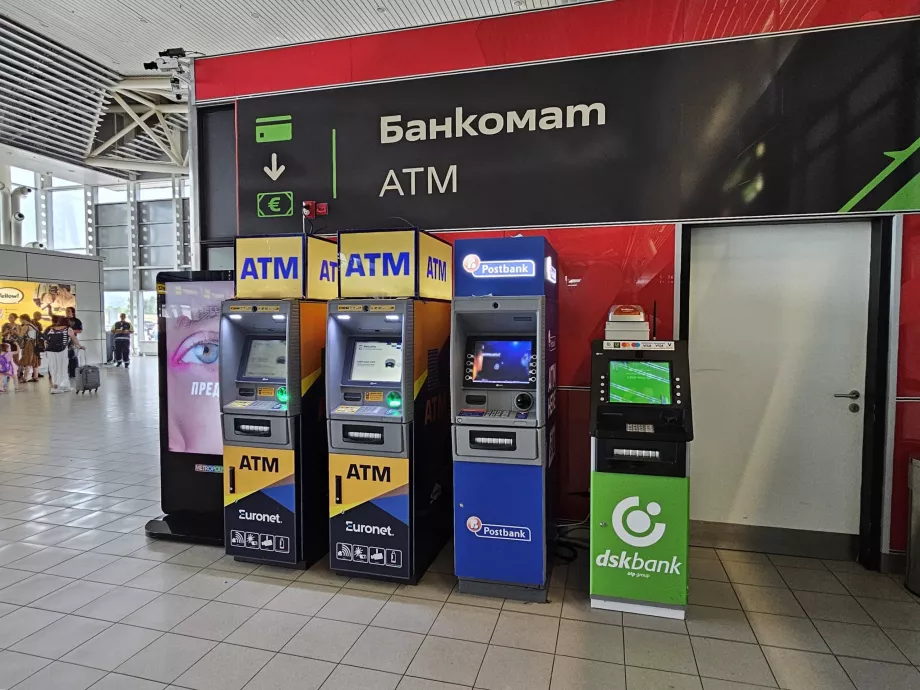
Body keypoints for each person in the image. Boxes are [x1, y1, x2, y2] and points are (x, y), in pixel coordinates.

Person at [44, 316, 82, 394]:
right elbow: (74, 338)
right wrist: (79, 346)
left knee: (53, 367)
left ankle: (59, 386)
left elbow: (46, 340)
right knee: (62, 367)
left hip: (50, 350)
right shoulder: (68, 329)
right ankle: (59, 386)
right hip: (61, 350)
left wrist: (47, 349)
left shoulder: (52, 329)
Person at [17, 315, 41, 383]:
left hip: (29, 344)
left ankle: (25, 378)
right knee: (35, 360)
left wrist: (18, 329)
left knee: (27, 360)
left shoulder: (26, 326)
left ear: (23, 319)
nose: (20, 321)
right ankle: (35, 377)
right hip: (35, 344)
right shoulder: (33, 325)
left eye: (20, 319)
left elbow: (20, 336)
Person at [66, 307, 83, 379]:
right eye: (66, 311)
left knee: (73, 356)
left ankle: (74, 373)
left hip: (72, 340)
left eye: (68, 311)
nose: (67, 312)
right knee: (65, 357)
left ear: (72, 312)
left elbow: (80, 330)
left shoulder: (77, 321)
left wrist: (71, 331)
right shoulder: (63, 320)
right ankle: (68, 372)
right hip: (64, 340)